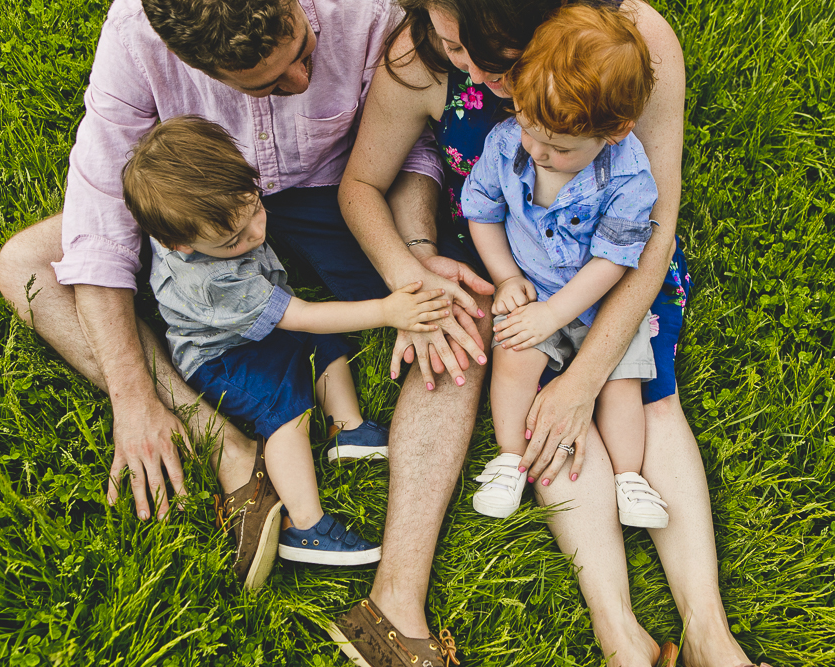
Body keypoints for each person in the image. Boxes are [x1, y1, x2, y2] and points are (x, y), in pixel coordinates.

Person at [0, 0, 492, 599]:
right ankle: (222, 444)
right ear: (191, 61)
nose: (302, 81)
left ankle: (395, 585)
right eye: (271, 84)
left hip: (340, 194)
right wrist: (132, 397)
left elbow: (409, 143)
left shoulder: (365, 10)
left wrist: (410, 259)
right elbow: (99, 227)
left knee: (454, 304)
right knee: (24, 264)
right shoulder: (136, 35)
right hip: (209, 215)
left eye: (304, 54)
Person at [334, 0, 770, 665]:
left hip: (614, 268)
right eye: (455, 51)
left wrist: (585, 377)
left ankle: (711, 635)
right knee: (500, 383)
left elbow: (651, 230)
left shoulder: (625, 43)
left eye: (488, 55)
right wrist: (413, 271)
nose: (475, 72)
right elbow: (362, 182)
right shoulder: (418, 55)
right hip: (510, 260)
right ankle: (613, 632)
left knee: (648, 398)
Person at [121, 115, 456, 583]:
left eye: (254, 208)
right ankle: (306, 526)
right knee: (286, 412)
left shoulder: (209, 215)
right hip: (221, 358)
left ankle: (350, 429)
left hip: (255, 328)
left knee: (322, 340)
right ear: (178, 243)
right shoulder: (214, 280)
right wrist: (387, 310)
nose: (255, 234)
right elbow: (299, 314)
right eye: (232, 240)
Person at [464, 4, 669, 530]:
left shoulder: (629, 178)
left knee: (621, 382)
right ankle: (511, 458)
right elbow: (482, 213)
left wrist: (555, 315)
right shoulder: (509, 143)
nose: (535, 151)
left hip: (597, 301)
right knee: (513, 356)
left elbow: (613, 262)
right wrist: (508, 277)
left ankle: (629, 477)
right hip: (532, 288)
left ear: (616, 131)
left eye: (558, 148)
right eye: (529, 131)